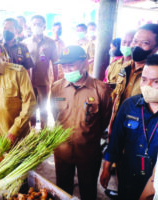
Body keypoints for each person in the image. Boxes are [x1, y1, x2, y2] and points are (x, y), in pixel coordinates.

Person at [100, 53, 158, 200]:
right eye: (144, 80)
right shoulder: (130, 105)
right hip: (127, 174)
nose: (147, 86)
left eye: (156, 82)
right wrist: (106, 167)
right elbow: (116, 140)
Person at [51, 46, 113, 199]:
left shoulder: (101, 89)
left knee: (88, 189)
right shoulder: (57, 88)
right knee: (63, 188)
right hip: (62, 149)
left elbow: (104, 119)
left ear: (85, 63)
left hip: (88, 151)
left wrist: (86, 134)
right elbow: (55, 115)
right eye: (64, 66)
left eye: (71, 65)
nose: (67, 69)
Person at [109, 23, 158, 134]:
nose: (136, 46)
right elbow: (117, 98)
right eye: (135, 41)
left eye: (145, 43)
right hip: (118, 129)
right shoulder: (125, 68)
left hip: (140, 135)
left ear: (157, 47)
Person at [23, 15, 58, 128]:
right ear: (30, 26)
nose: (36, 26)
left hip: (44, 81)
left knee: (43, 109)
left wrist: (55, 81)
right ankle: (32, 132)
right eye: (34, 24)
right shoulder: (25, 43)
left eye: (39, 24)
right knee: (31, 109)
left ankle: (43, 133)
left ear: (44, 26)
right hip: (28, 83)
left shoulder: (51, 43)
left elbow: (55, 63)